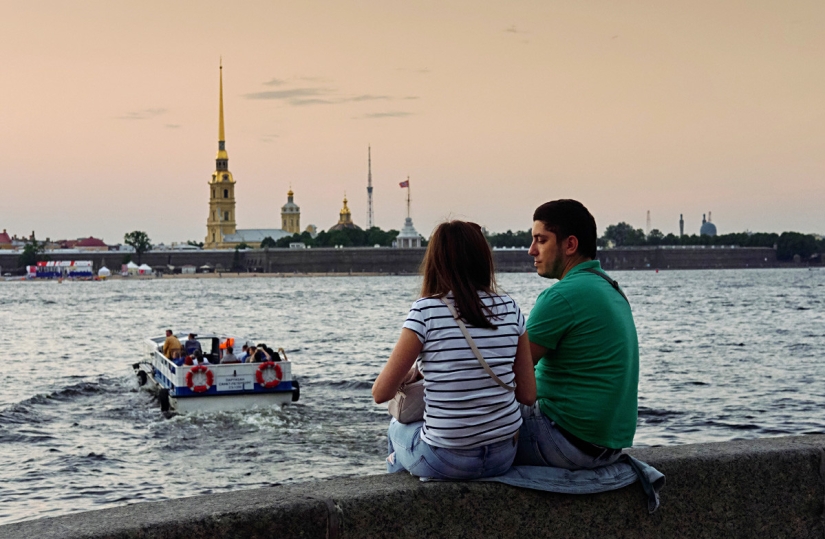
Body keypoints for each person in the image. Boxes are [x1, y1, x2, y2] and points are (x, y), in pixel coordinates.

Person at [372, 220, 536, 480]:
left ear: (436, 261)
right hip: (503, 455)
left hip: (446, 459)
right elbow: (527, 395)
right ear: (483, 259)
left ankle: (401, 503)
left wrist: (410, 376)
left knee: (396, 427)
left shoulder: (425, 310)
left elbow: (380, 393)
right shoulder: (510, 308)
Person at [516, 199, 639, 470]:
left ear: (570, 245)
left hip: (565, 442)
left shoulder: (561, 296)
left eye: (541, 240)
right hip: (608, 446)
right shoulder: (612, 288)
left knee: (428, 431)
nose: (531, 250)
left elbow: (510, 371)